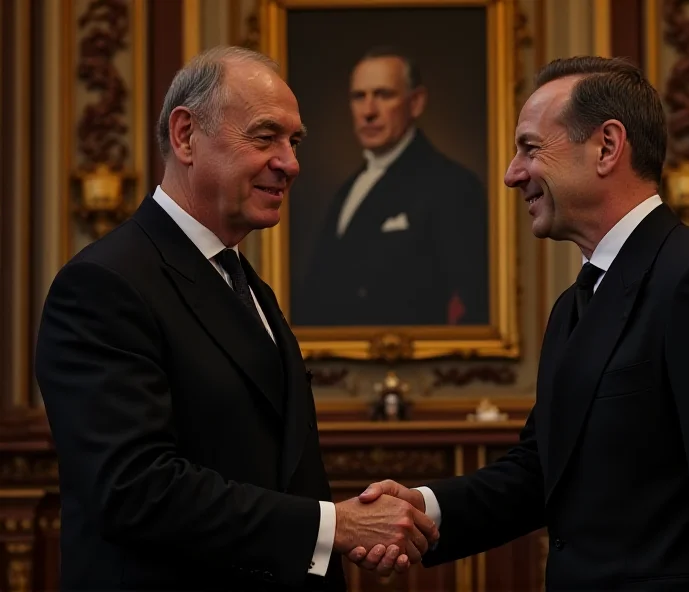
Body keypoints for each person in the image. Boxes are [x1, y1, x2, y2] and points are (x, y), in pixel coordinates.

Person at [352, 56, 689, 589]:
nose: (511, 174)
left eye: (530, 148)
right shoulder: (575, 303)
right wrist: (422, 507)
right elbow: (543, 470)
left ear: (607, 147)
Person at [34, 46, 437, 591]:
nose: (290, 163)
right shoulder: (104, 284)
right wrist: (333, 525)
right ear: (185, 136)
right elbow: (134, 489)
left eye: (294, 142)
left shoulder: (244, 282)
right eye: (265, 136)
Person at [293, 46, 488, 327]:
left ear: (416, 102)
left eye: (384, 95)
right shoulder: (346, 191)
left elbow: (471, 307)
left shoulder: (453, 186)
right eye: (359, 97)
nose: (368, 111)